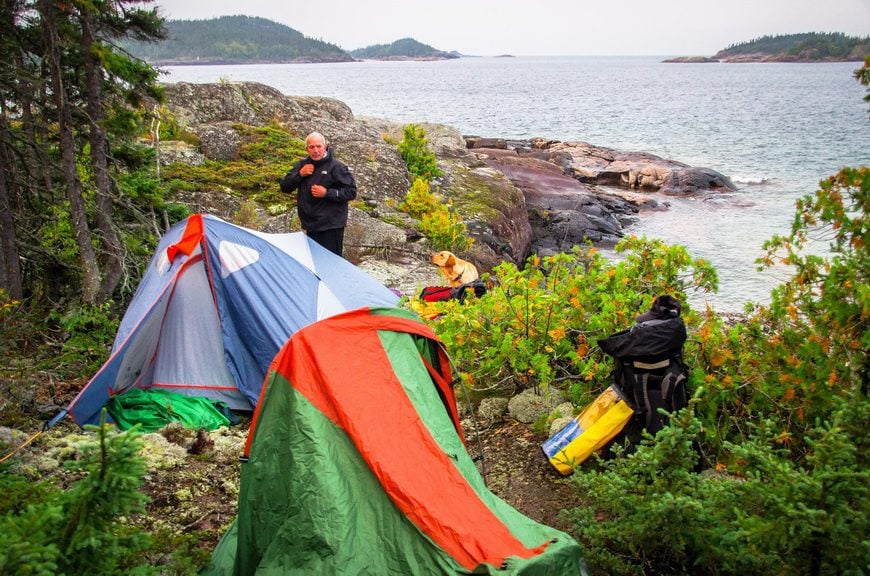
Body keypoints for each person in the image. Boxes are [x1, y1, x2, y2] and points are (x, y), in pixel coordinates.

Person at [280, 132, 357, 256]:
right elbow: (285, 187)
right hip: (310, 225)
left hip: (331, 226)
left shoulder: (337, 167)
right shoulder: (302, 165)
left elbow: (351, 192)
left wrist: (327, 193)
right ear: (307, 149)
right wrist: (299, 175)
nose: (315, 150)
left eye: (318, 146)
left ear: (325, 146)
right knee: (314, 264)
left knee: (330, 265)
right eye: (311, 147)